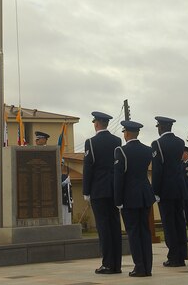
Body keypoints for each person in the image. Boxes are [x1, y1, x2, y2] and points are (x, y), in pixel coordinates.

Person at [83, 111, 122, 275]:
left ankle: (107, 264)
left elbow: (88, 168)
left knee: (103, 227)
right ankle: (117, 264)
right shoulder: (117, 140)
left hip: (98, 190)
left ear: (97, 124)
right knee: (115, 226)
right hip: (114, 189)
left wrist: (86, 191)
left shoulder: (91, 142)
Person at [114, 120, 155, 278]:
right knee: (145, 231)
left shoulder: (121, 151)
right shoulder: (147, 150)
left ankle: (139, 267)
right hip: (145, 195)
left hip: (129, 197)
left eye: (124, 132)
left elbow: (119, 178)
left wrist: (118, 201)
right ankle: (147, 267)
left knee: (133, 232)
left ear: (127, 133)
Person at [151, 116, 188, 268]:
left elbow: (157, 169)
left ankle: (173, 256)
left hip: (165, 189)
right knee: (180, 222)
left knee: (169, 223)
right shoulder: (180, 142)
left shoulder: (157, 144)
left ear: (161, 127)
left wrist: (156, 191)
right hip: (179, 188)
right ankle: (181, 255)